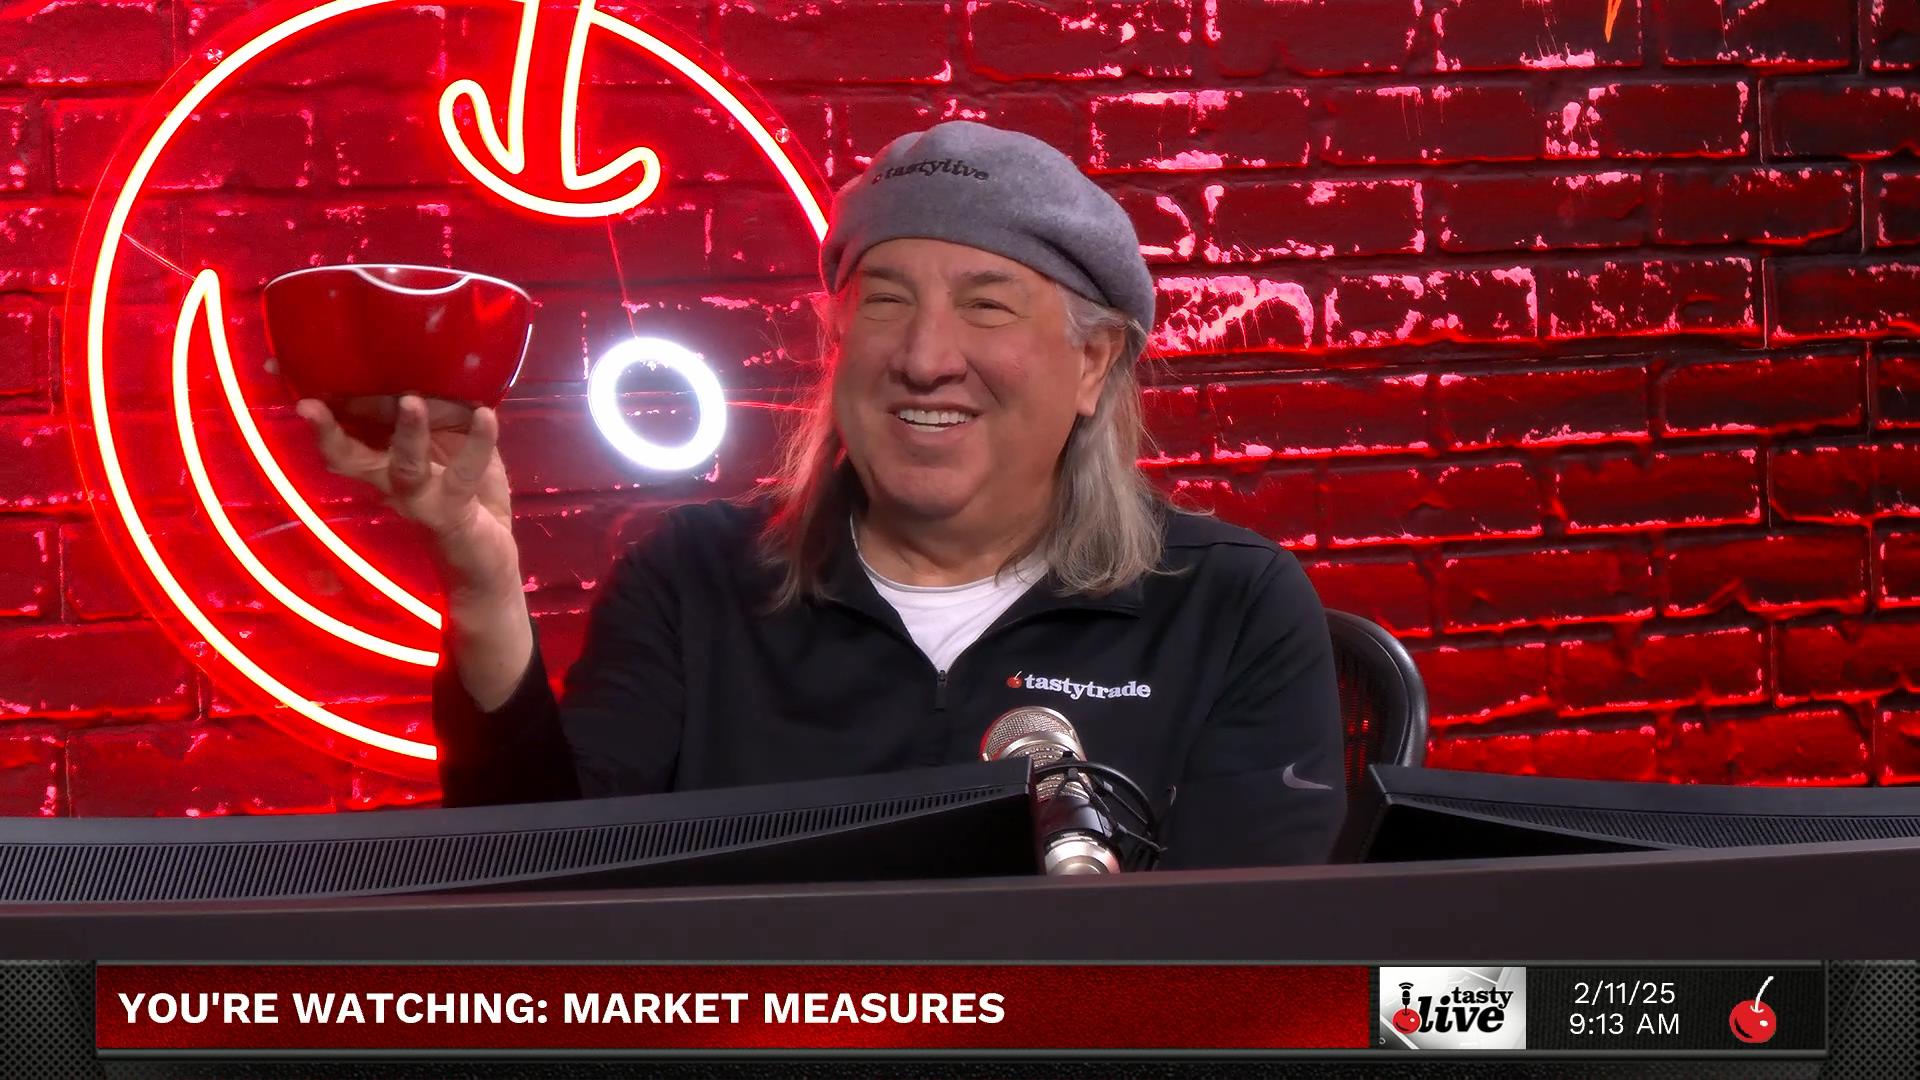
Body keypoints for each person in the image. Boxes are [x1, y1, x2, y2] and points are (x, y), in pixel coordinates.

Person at [298, 121, 1346, 869]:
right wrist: (482, 586)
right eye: (884, 302)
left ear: (1092, 362)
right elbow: (536, 894)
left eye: (987, 306)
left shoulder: (1230, 609)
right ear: (836, 338)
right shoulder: (692, 583)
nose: (925, 358)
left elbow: (1255, 982)